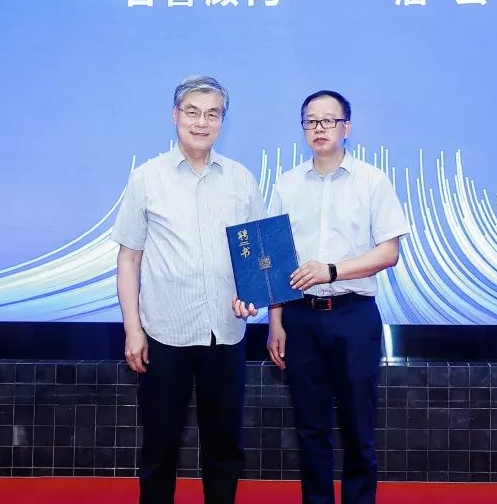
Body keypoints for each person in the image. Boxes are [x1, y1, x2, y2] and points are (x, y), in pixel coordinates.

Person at [234, 90, 410, 504]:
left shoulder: (372, 180)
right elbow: (274, 260)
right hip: (301, 318)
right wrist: (276, 323)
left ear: (347, 127)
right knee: (310, 428)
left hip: (354, 315)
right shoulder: (287, 184)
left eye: (329, 120)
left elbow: (389, 252)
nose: (319, 128)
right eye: (311, 121)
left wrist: (331, 270)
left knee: (358, 427)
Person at [114, 75, 263, 504]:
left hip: (225, 332)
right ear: (175, 115)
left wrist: (253, 294)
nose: (202, 122)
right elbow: (129, 259)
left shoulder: (240, 179)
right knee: (160, 445)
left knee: (225, 446)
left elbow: (256, 256)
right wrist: (133, 330)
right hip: (165, 333)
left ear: (222, 121)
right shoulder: (146, 178)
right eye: (193, 112)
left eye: (212, 114)